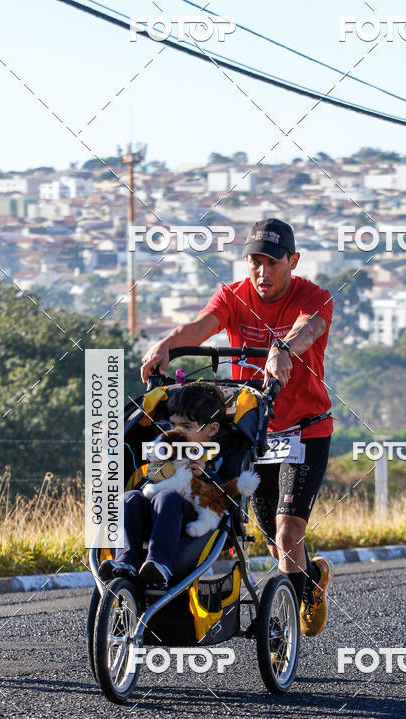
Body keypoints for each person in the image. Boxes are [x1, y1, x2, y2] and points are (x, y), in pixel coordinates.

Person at [140, 218, 335, 636]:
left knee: (287, 532)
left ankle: (289, 623)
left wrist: (282, 348)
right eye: (254, 262)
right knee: (270, 538)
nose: (262, 272)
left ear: (293, 261)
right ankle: (309, 579)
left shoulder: (314, 297)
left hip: (304, 430)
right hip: (252, 428)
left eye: (272, 263)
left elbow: (309, 328)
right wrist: (166, 346)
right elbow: (199, 328)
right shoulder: (234, 295)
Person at [99, 381, 229, 590]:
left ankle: (160, 565)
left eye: (186, 426)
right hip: (155, 511)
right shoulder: (163, 449)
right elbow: (148, 481)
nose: (175, 432)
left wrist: (207, 474)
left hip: (192, 514)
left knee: (166, 497)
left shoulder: (216, 455)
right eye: (171, 425)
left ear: (212, 430)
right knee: (129, 498)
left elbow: (228, 491)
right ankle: (126, 562)